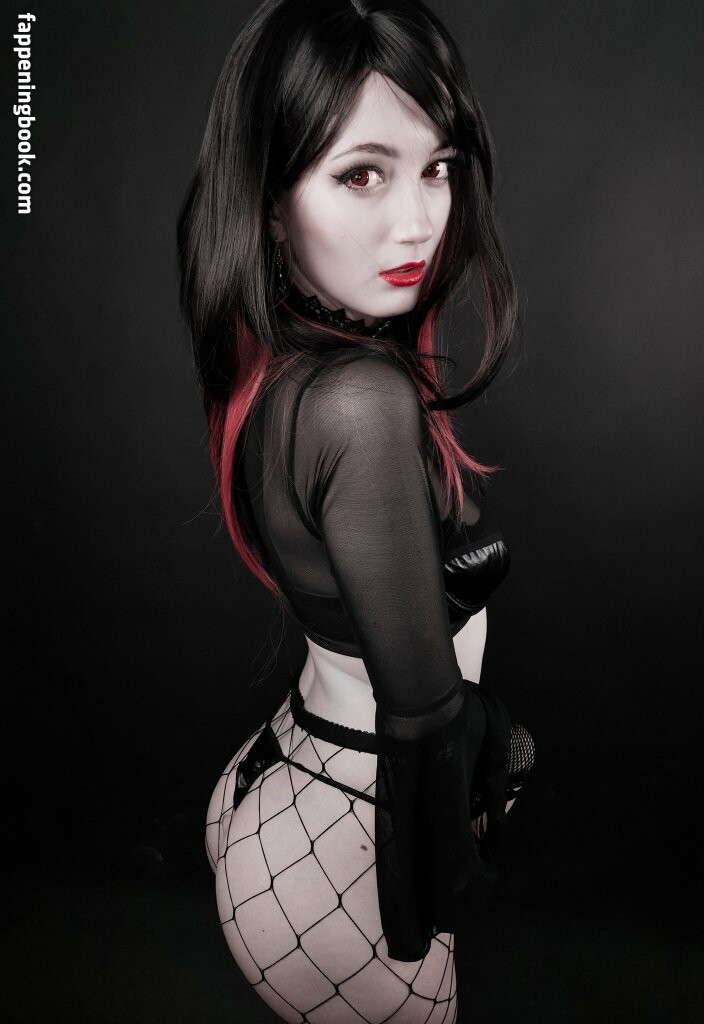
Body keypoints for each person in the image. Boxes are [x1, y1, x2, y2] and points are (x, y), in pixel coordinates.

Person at [177, 1, 534, 1021]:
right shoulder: (361, 402)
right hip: (346, 854)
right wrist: (499, 747)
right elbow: (425, 720)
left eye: (437, 166)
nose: (419, 222)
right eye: (362, 174)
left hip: (283, 783)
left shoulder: (295, 368)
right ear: (269, 200)